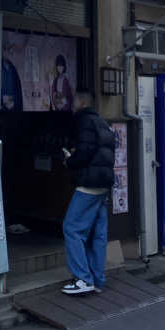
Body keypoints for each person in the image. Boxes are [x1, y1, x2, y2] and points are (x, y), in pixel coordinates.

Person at [60, 91, 116, 295]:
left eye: (74, 101)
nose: (71, 105)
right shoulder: (102, 122)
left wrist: (69, 160)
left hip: (89, 184)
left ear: (82, 103)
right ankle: (98, 279)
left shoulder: (83, 121)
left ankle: (83, 279)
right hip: (104, 184)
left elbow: (84, 152)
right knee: (97, 233)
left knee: (72, 228)